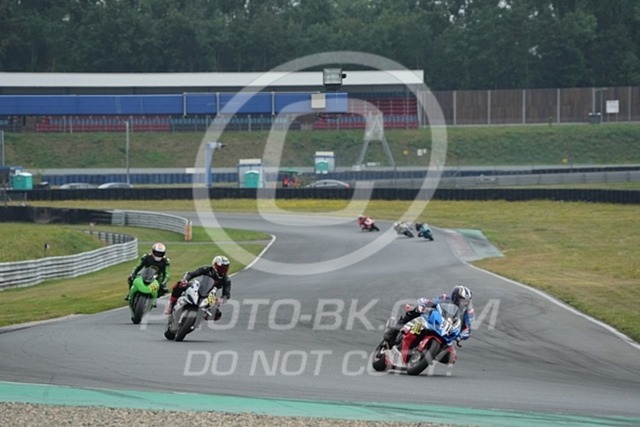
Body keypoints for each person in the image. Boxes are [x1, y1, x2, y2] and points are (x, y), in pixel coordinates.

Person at [383, 285, 474, 347]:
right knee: (415, 311)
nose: (465, 303)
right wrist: (422, 306)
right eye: (463, 300)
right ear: (455, 297)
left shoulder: (467, 311)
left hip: (447, 330)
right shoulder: (445, 298)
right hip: (435, 318)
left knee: (450, 354)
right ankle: (393, 332)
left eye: (467, 301)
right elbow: (430, 302)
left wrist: (460, 336)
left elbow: (468, 329)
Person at [163, 255, 231, 320]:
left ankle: (201, 317)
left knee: (217, 314)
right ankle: (171, 304)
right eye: (221, 268)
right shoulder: (206, 269)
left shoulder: (226, 279)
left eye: (225, 268)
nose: (223, 270)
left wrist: (221, 300)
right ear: (214, 265)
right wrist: (185, 280)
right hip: (198, 286)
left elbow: (226, 294)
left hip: (211, 295)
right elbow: (191, 274)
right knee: (179, 285)